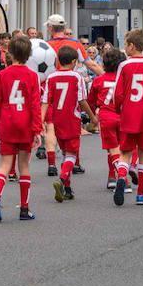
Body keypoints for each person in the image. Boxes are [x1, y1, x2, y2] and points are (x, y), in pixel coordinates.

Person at [0, 37, 43, 222]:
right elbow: (35, 105)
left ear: (9, 53)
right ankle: (24, 208)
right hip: (25, 123)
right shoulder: (32, 76)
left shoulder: (3, 75)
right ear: (29, 55)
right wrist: (37, 130)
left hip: (7, 122)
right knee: (24, 165)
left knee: (5, 165)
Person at [112, 29, 143, 206]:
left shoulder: (124, 66)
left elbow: (118, 93)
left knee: (125, 152)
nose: (125, 48)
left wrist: (119, 109)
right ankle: (141, 194)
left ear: (132, 46)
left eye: (126, 44)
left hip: (128, 113)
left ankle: (122, 177)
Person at [44, 46, 97, 203]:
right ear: (74, 61)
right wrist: (92, 116)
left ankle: (67, 189)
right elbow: (81, 100)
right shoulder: (76, 77)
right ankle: (62, 179)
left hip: (57, 118)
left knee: (65, 153)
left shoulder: (51, 77)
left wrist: (40, 120)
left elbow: (46, 101)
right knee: (72, 154)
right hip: (72, 118)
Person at [87, 49, 126, 190]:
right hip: (123, 116)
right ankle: (122, 175)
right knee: (124, 149)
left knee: (112, 149)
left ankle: (115, 176)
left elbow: (91, 101)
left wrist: (91, 117)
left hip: (106, 116)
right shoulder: (125, 79)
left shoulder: (98, 80)